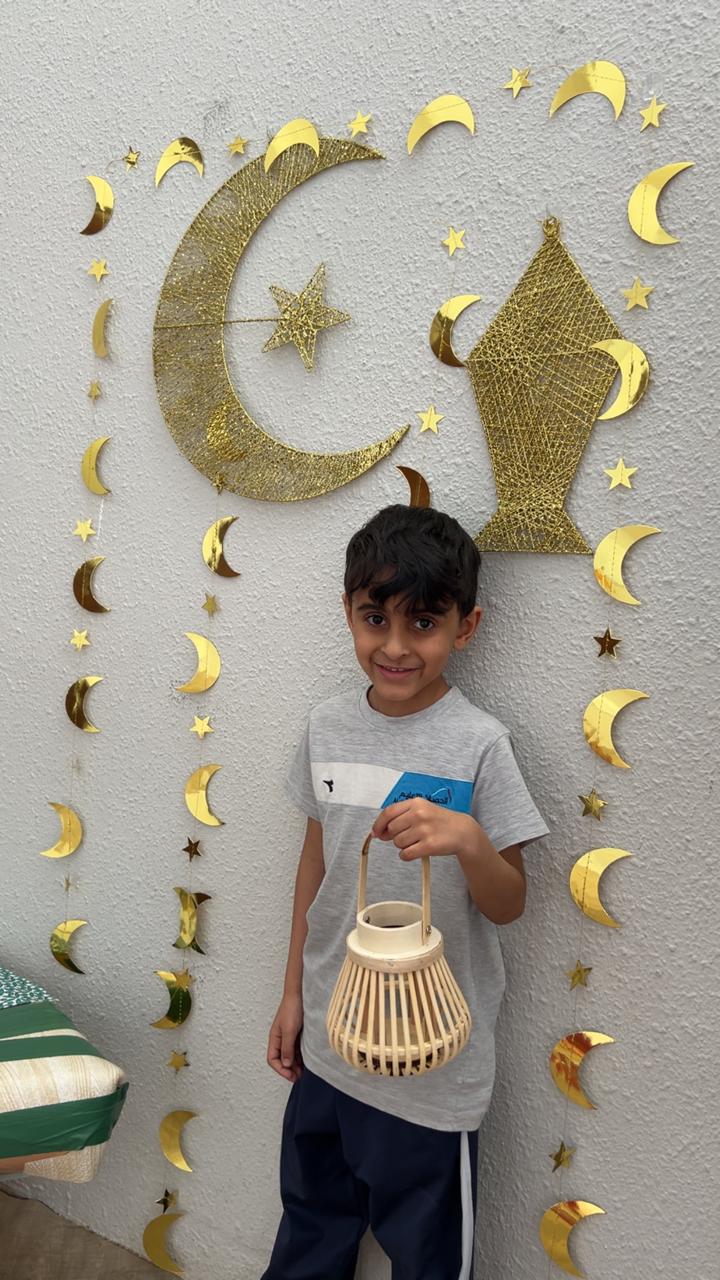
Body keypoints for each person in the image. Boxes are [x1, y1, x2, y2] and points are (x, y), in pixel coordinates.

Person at [261, 504, 550, 1280]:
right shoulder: (326, 728)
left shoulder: (479, 745)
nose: (394, 646)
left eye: (422, 622)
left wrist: (470, 840)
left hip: (433, 1070)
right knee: (310, 1229)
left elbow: (509, 903)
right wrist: (291, 996)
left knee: (427, 1258)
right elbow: (315, 869)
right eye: (375, 618)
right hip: (331, 1042)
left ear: (466, 626)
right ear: (348, 613)